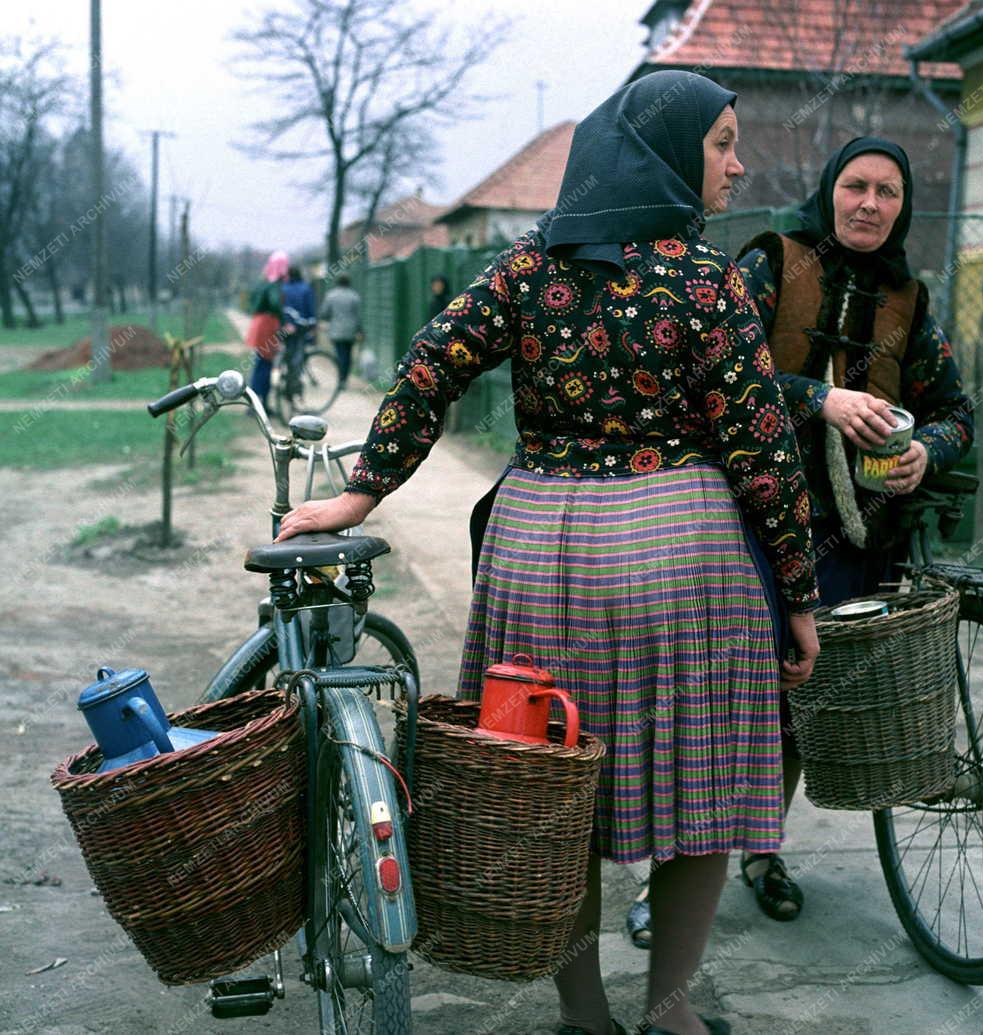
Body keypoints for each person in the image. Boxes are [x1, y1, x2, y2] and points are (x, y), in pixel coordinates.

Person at [276, 70, 822, 1035]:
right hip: (680, 558)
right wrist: (800, 595)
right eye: (723, 143)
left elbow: (430, 360)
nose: (739, 165)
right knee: (699, 780)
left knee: (551, 785)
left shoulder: (530, 267)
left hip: (542, 557)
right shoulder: (708, 282)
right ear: (668, 154)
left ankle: (586, 1015)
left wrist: (363, 488)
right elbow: (761, 448)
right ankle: (673, 1011)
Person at [729, 138, 974, 922]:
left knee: (800, 697)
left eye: (889, 192)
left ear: (903, 207)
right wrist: (818, 399)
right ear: (831, 190)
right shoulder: (773, 263)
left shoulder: (909, 297)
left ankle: (762, 851)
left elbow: (955, 412)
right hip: (744, 523)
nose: (871, 204)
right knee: (720, 699)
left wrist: (924, 458)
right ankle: (662, 880)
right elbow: (719, 370)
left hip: (850, 536)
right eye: (857, 186)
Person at [246, 250, 288, 410]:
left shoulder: (262, 282)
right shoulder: (273, 284)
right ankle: (256, 405)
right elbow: (276, 303)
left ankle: (260, 404)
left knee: (262, 365)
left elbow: (252, 301)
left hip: (259, 323)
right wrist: (284, 322)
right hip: (267, 325)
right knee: (263, 366)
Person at [318, 273, 362, 389]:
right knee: (347, 355)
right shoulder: (354, 296)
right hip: (350, 331)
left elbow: (324, 313)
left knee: (339, 354)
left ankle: (340, 378)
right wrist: (360, 330)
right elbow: (358, 316)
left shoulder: (330, 295)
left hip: (336, 330)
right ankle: (344, 378)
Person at [281, 265, 318, 397]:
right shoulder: (306, 288)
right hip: (300, 328)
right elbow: (310, 310)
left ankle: (284, 379)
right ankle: (293, 385)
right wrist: (313, 327)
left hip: (285, 327)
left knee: (288, 352)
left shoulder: (283, 288)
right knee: (298, 355)